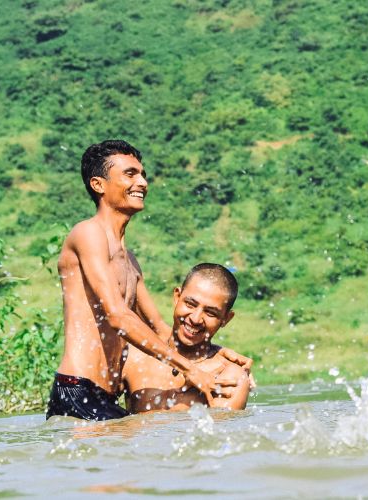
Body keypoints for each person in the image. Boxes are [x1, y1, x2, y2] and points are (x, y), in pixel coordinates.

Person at [47, 140, 249, 421]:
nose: (141, 182)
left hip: (104, 396)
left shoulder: (129, 261)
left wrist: (217, 355)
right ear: (98, 185)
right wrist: (190, 369)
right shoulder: (88, 234)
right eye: (130, 174)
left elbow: (159, 328)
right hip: (77, 391)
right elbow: (118, 317)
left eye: (142, 175)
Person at [123, 263, 250, 412]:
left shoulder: (229, 377)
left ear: (226, 319)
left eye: (210, 313)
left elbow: (217, 433)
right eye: (190, 304)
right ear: (177, 297)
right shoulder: (134, 358)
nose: (195, 319)